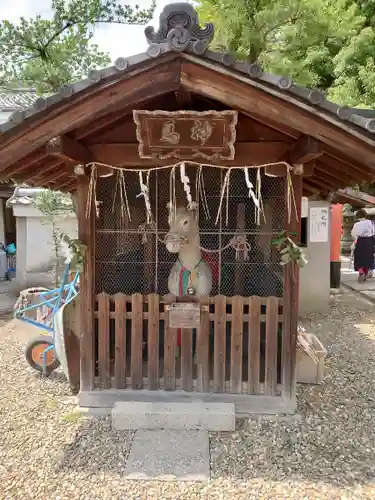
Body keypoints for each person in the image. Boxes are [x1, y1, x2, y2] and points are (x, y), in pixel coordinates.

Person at [351, 209, 375, 282]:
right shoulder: (371, 223)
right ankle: (366, 273)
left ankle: (361, 272)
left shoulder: (357, 224)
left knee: (359, 257)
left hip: (360, 241)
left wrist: (356, 240)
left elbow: (353, 234)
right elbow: (373, 232)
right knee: (368, 258)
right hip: (370, 241)